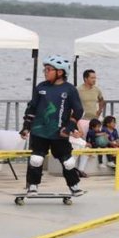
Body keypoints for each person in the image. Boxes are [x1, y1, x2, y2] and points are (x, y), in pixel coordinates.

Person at [20, 55, 85, 196]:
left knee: (68, 162)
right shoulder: (41, 87)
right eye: (45, 69)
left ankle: (74, 185)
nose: (45, 72)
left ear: (60, 72)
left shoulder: (70, 89)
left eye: (49, 69)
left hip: (59, 132)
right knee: (36, 159)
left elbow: (79, 111)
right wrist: (26, 127)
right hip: (39, 131)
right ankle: (32, 185)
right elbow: (32, 108)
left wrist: (68, 129)